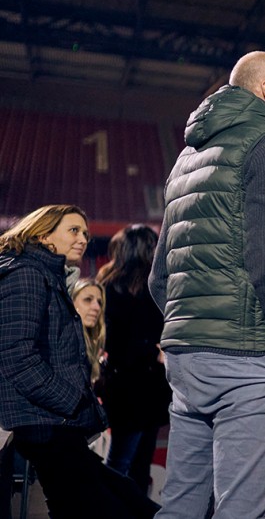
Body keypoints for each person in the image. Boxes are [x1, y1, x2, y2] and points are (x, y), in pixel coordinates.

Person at [149, 51, 265, 518]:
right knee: (246, 511)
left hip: (186, 357)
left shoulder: (187, 156)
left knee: (180, 506)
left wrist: (192, 332)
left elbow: (161, 277)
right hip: (247, 360)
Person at [0, 204, 159, 518]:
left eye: (85, 232)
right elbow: (17, 358)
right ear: (42, 233)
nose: (83, 238)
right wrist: (73, 400)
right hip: (46, 424)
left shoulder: (45, 274)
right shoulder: (27, 274)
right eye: (73, 230)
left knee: (128, 497)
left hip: (56, 423)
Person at [96, 225, 171, 493]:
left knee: (123, 460)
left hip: (124, 384)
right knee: (130, 463)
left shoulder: (107, 282)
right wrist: (155, 352)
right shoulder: (153, 286)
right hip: (144, 384)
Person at [71, 278, 106, 384]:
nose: (97, 307)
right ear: (71, 302)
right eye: (88, 300)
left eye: (99, 302)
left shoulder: (91, 343)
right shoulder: (68, 344)